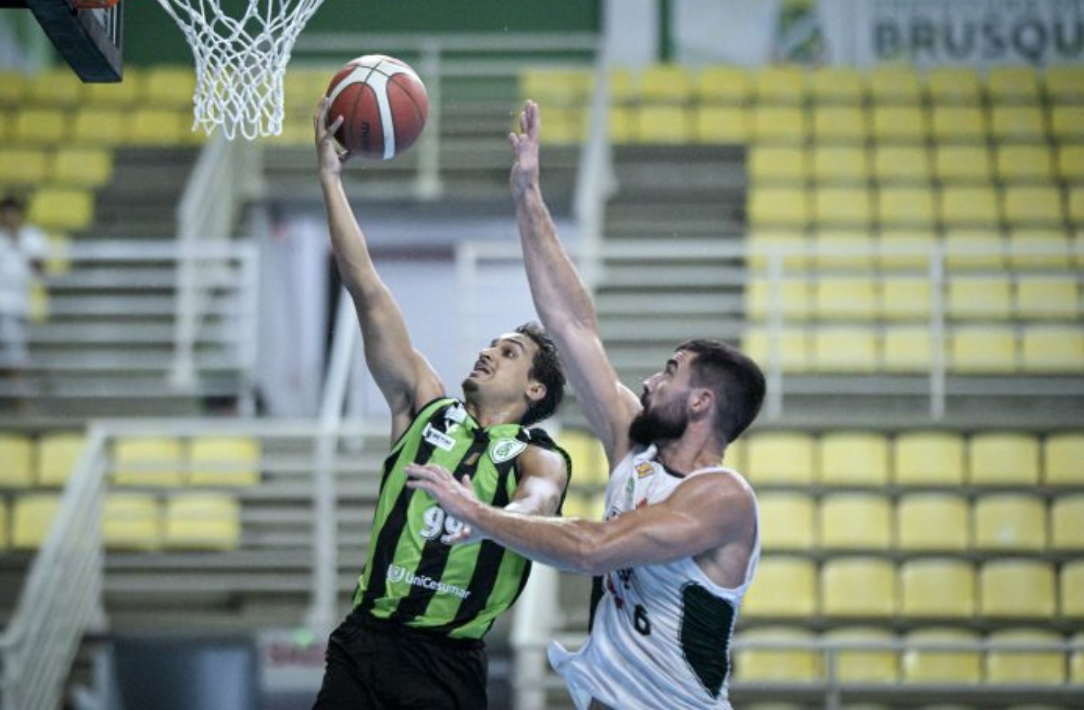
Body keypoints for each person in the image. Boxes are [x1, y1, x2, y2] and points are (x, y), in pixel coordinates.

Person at [406, 100, 767, 710]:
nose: (651, 381)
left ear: (703, 402)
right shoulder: (637, 448)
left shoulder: (724, 497)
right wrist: (528, 197)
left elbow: (592, 548)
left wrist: (478, 512)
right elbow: (573, 326)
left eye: (670, 372)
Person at [310, 98, 573, 710]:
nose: (488, 352)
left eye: (508, 352)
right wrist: (329, 177)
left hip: (443, 664)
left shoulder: (540, 455)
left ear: (535, 390)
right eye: (491, 343)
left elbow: (538, 506)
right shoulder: (425, 408)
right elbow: (368, 290)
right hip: (363, 641)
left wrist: (480, 511)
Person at [0, 195, 46, 372]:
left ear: (20, 214)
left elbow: (40, 269)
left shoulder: (33, 237)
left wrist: (19, 244)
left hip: (22, 302)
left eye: (12, 213)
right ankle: (23, 399)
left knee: (1, 355)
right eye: (4, 213)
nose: (8, 217)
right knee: (15, 353)